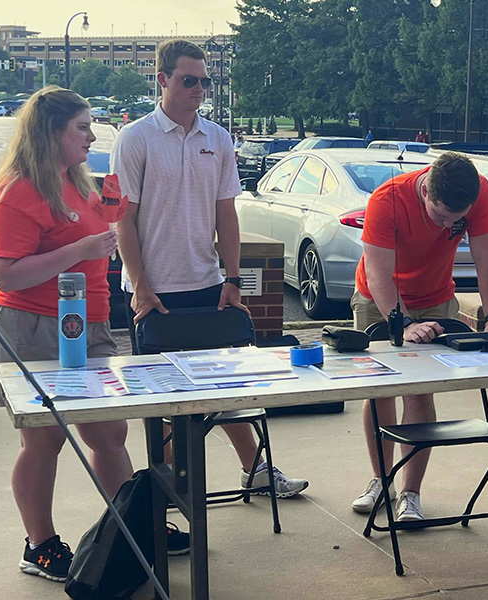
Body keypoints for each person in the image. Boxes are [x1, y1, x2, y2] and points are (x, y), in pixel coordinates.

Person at [112, 39, 309, 544]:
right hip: (155, 293)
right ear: (162, 80)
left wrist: (233, 277)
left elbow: (227, 213)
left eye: (205, 81)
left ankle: (256, 470)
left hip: (208, 285)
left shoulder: (218, 139)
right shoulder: (134, 139)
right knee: (170, 408)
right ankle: (162, 503)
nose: (199, 90)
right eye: (188, 80)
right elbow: (123, 220)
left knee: (226, 389)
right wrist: (139, 287)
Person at [0, 86, 138, 582]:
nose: (92, 136)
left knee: (109, 432)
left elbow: (92, 235)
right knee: (45, 440)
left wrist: (110, 217)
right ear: (52, 132)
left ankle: (132, 528)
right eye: (82, 127)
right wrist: (82, 247)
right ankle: (40, 544)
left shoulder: (78, 182)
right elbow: (7, 274)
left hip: (88, 324)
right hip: (31, 326)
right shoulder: (18, 191)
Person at [349, 151, 488, 522]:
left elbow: (486, 261)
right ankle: (380, 480)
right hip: (379, 297)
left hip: (435, 297)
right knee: (380, 389)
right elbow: (378, 273)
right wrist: (401, 324)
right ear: (425, 193)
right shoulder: (387, 200)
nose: (447, 225)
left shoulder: (478, 192)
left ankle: (410, 494)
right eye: (440, 216)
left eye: (456, 220)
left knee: (420, 391)